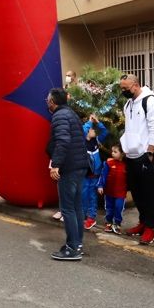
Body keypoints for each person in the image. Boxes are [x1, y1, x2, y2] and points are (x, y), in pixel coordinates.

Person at [119, 74, 154, 244]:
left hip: (146, 155)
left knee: (148, 193)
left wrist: (150, 151)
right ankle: (143, 222)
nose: (123, 91)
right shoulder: (128, 103)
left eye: (126, 88)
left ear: (136, 85)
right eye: (121, 88)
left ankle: (150, 228)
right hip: (131, 155)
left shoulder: (149, 101)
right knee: (137, 192)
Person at [47, 89, 89, 261]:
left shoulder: (59, 116)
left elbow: (63, 141)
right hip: (79, 166)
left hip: (70, 168)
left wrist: (55, 165)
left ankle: (72, 247)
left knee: (67, 208)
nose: (46, 102)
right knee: (76, 207)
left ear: (53, 102)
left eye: (47, 99)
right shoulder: (70, 113)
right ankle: (77, 243)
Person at [80, 114, 107, 230]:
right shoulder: (82, 143)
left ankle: (91, 217)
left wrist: (98, 122)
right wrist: (89, 123)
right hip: (85, 175)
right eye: (91, 129)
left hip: (95, 175)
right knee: (83, 195)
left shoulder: (96, 140)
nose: (93, 130)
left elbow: (105, 132)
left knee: (92, 196)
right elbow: (83, 130)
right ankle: (83, 216)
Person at [98, 144, 128, 234]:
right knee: (109, 208)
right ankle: (109, 222)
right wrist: (100, 186)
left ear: (122, 154)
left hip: (121, 193)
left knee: (118, 207)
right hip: (109, 192)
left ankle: (117, 223)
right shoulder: (108, 163)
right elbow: (103, 175)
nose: (112, 153)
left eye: (115, 152)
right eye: (112, 151)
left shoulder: (126, 165)